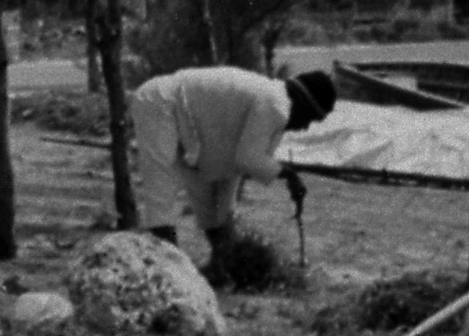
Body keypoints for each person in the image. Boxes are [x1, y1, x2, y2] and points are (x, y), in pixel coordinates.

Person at [134, 63, 337, 283]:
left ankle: (218, 268)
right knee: (161, 194)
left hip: (188, 125)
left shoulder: (273, 104)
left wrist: (228, 241)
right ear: (303, 102)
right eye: (310, 118)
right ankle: (169, 277)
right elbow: (248, 159)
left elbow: (234, 166)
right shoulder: (276, 105)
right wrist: (287, 175)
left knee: (216, 210)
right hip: (159, 103)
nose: (305, 127)